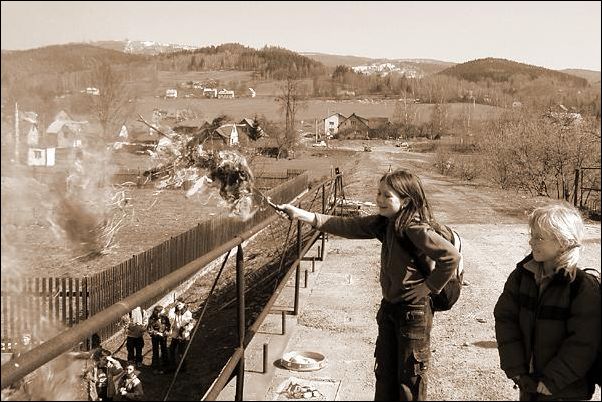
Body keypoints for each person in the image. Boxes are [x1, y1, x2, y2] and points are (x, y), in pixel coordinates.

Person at [278, 169, 461, 401]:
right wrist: (301, 214)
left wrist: (428, 287)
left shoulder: (414, 228)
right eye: (379, 193)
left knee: (409, 381)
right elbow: (347, 225)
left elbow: (451, 256)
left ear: (405, 201)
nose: (379, 199)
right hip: (390, 308)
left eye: (387, 195)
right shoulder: (385, 223)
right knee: (384, 375)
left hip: (413, 313)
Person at [494, 202, 601, 401]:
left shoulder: (581, 286)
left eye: (539, 237)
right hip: (529, 384)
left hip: (566, 390)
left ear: (563, 242)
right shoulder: (521, 276)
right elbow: (505, 320)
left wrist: (553, 380)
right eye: (532, 235)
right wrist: (516, 368)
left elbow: (584, 342)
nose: (531, 242)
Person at [167, 298, 195, 373]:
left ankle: (183, 367)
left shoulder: (187, 313)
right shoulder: (175, 312)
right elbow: (170, 318)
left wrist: (186, 330)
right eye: (177, 305)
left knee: (181, 352)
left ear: (183, 304)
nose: (178, 306)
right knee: (171, 350)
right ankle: (173, 366)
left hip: (183, 335)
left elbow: (191, 323)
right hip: (175, 334)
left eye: (179, 304)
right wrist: (173, 308)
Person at [147, 304, 171, 373]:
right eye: (161, 311)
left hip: (163, 336)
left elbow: (168, 325)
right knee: (155, 350)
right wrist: (155, 332)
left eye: (162, 312)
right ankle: (155, 365)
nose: (162, 313)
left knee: (164, 349)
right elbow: (149, 329)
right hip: (155, 337)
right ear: (157, 312)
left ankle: (166, 364)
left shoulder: (165, 317)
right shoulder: (152, 319)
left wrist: (166, 331)